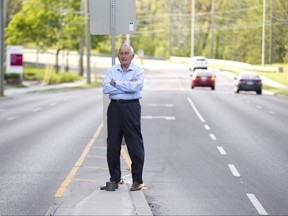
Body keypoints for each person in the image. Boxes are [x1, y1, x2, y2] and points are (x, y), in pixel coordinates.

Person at [101, 43, 145, 191]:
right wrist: (126, 84)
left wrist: (116, 84)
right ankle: (114, 178)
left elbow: (135, 88)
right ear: (118, 55)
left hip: (131, 107)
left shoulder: (138, 70)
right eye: (121, 53)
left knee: (134, 144)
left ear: (132, 56)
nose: (124, 56)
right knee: (112, 144)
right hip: (114, 108)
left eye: (127, 53)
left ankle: (137, 180)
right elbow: (106, 88)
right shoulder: (112, 70)